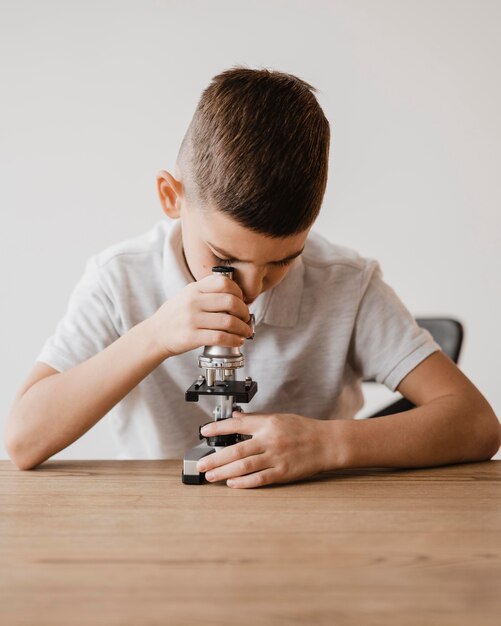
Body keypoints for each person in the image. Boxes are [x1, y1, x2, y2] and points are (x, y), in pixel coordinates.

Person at [5, 67, 500, 488]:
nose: (251, 287)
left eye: (283, 261)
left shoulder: (346, 285)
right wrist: (152, 336)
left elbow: (476, 422)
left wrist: (326, 443)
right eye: (223, 256)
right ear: (171, 196)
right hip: (158, 529)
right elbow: (24, 440)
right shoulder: (120, 279)